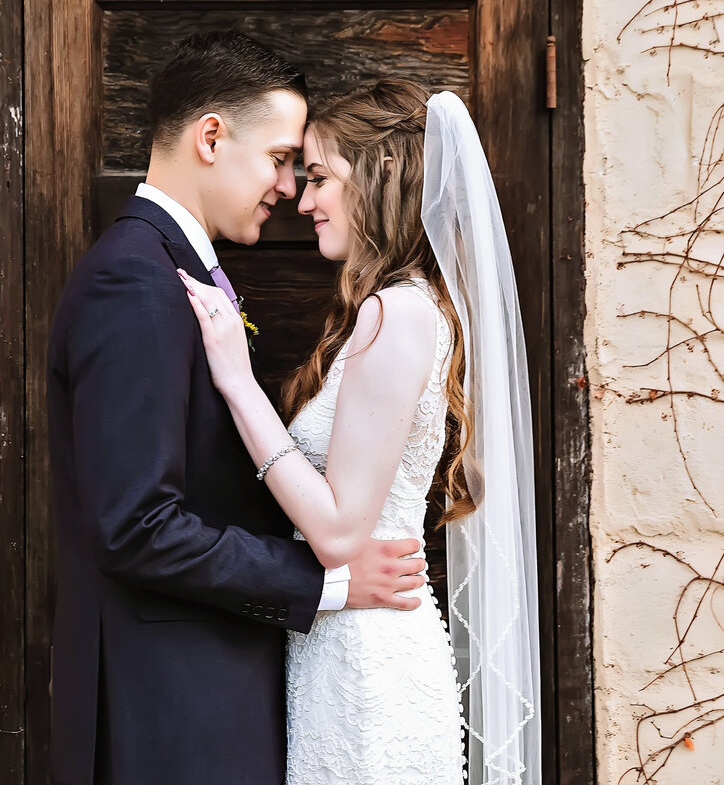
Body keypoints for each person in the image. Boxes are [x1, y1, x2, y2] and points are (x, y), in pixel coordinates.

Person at [45, 33, 428, 785]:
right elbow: (136, 525)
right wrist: (325, 585)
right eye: (281, 159)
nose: (288, 188)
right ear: (211, 137)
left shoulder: (176, 271)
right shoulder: (135, 281)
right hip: (170, 712)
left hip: (213, 697)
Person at [180, 80, 543, 785]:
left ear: (377, 179)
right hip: (342, 650)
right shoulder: (394, 310)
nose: (304, 200)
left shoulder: (398, 315)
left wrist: (234, 378)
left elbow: (340, 532)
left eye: (319, 178)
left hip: (370, 672)